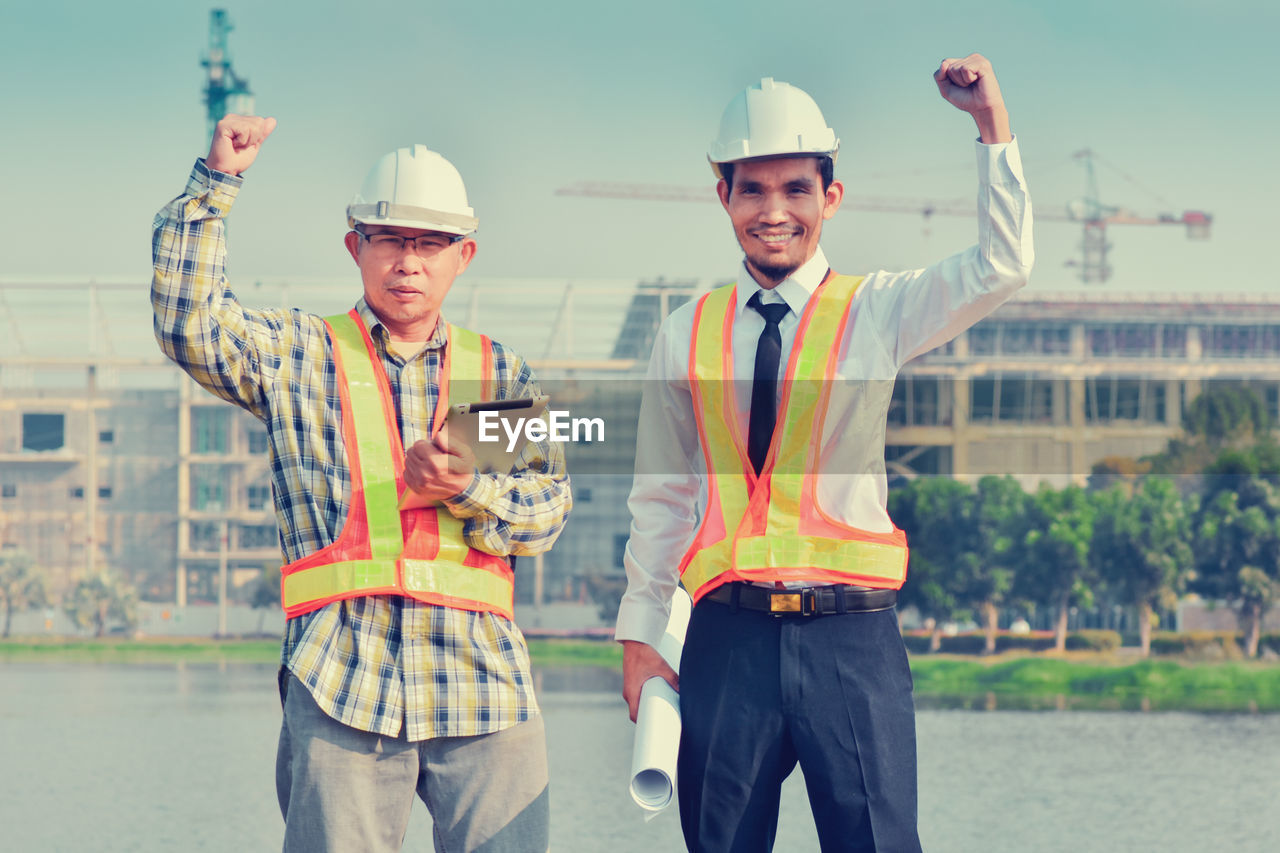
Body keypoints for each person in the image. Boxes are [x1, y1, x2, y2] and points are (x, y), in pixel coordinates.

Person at [616, 54, 1033, 851]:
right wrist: (641, 638)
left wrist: (990, 126)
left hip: (853, 643)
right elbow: (661, 501)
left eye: (796, 188)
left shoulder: (878, 311)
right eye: (753, 189)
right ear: (724, 198)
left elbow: (1002, 266)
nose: (774, 211)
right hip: (726, 640)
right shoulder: (684, 333)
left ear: (830, 197)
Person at [152, 115, 570, 853]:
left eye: (431, 243)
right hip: (343, 677)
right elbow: (192, 325)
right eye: (392, 239)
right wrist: (216, 184)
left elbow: (546, 511)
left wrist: (470, 489)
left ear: (462, 255)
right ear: (357, 246)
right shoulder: (300, 355)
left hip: (483, 687)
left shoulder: (495, 375)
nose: (410, 261)